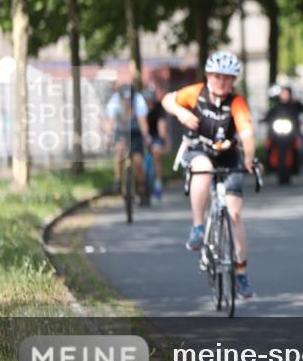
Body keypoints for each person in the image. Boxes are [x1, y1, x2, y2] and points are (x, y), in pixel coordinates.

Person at [162, 52, 258, 298]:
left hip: (228, 155)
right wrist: (180, 112)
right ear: (208, 76)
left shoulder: (237, 102)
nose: (222, 83)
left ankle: (241, 272)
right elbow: (167, 100)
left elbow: (246, 133)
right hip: (198, 149)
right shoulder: (195, 93)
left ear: (234, 80)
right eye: (217, 77)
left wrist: (248, 158)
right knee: (202, 171)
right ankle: (197, 226)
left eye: (228, 78)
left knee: (235, 214)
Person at [105, 83, 150, 204]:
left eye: (129, 100)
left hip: (135, 132)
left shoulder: (139, 101)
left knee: (138, 161)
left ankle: (141, 186)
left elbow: (142, 121)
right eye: (124, 99)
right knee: (119, 151)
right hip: (121, 131)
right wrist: (109, 137)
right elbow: (111, 122)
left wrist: (146, 136)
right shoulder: (114, 102)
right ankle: (118, 181)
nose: (126, 102)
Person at [144, 87, 168, 200]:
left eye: (150, 101)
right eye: (146, 101)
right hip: (141, 135)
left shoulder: (159, 108)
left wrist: (162, 141)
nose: (148, 104)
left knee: (157, 152)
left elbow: (162, 126)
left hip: (155, 136)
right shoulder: (140, 108)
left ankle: (158, 182)